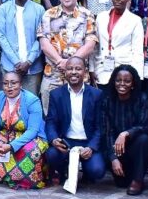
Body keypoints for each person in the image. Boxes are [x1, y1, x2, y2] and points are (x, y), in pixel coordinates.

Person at [37, 0, 98, 112]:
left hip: (79, 77)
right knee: (51, 118)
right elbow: (44, 44)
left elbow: (90, 44)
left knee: (80, 117)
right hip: (53, 76)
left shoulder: (87, 15)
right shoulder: (48, 15)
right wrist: (60, 61)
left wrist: (70, 64)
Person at [44, 56, 105, 187]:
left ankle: (87, 174)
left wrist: (92, 147)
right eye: (70, 69)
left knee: (97, 170)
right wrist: (54, 139)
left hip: (87, 142)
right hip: (66, 142)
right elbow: (50, 122)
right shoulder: (56, 94)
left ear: (85, 72)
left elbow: (101, 126)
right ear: (65, 72)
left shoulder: (96, 95)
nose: (73, 72)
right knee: (51, 155)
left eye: (78, 69)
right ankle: (63, 172)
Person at [0, 71, 48, 189]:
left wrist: (12, 146)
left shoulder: (32, 100)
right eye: (6, 83)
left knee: (31, 150)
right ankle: (1, 176)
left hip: (28, 136)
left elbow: (33, 130)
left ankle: (24, 179)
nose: (9, 87)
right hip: (6, 133)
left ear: (21, 84)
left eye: (13, 83)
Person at [102, 64, 148, 195]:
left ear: (133, 83)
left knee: (144, 139)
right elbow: (106, 132)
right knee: (121, 183)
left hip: (137, 150)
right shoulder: (108, 101)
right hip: (117, 150)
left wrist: (126, 133)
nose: (122, 84)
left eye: (127, 81)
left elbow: (146, 126)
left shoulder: (141, 99)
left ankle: (138, 180)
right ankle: (127, 175)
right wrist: (113, 158)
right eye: (118, 80)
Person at [0, 0, 46, 97]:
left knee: (30, 101)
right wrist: (16, 61)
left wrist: (29, 61)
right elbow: (1, 35)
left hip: (33, 68)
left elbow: (41, 38)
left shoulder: (39, 10)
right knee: (8, 103)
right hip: (9, 66)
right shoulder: (3, 9)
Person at [93, 0, 145, 87]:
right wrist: (92, 69)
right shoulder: (101, 17)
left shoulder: (135, 20)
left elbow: (137, 51)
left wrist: (137, 76)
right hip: (101, 69)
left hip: (124, 72)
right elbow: (95, 46)